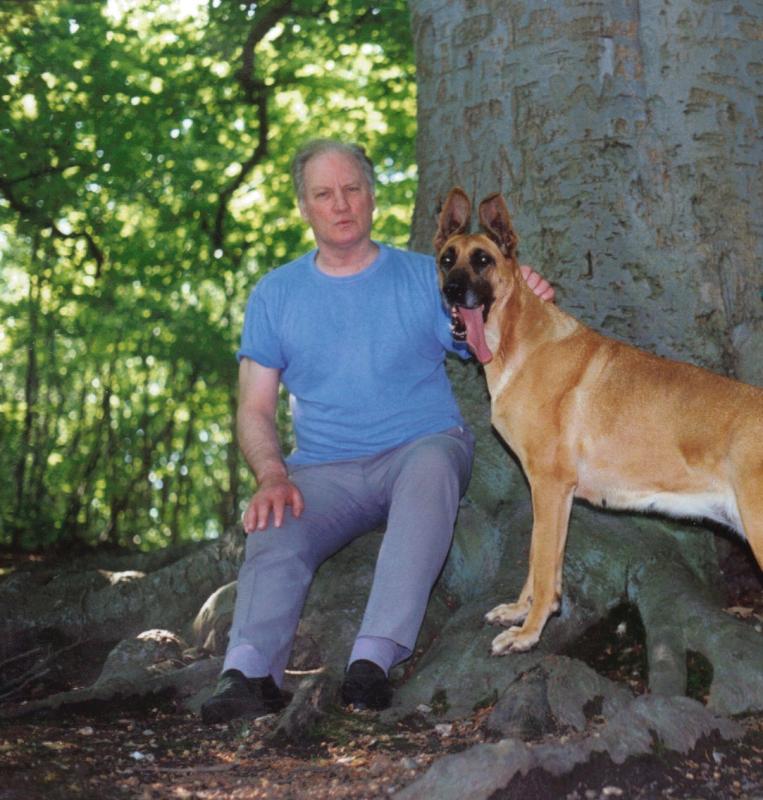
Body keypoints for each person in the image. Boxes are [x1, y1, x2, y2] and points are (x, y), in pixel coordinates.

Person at [201, 139, 554, 724]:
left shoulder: (431, 275)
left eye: (352, 189)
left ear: (371, 197)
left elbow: (490, 320)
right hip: (322, 469)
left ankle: (373, 659)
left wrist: (523, 293)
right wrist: (270, 474)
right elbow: (254, 407)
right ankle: (247, 672)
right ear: (304, 206)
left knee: (432, 467)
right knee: (274, 520)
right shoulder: (275, 294)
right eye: (323, 194)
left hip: (420, 446)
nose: (340, 204)